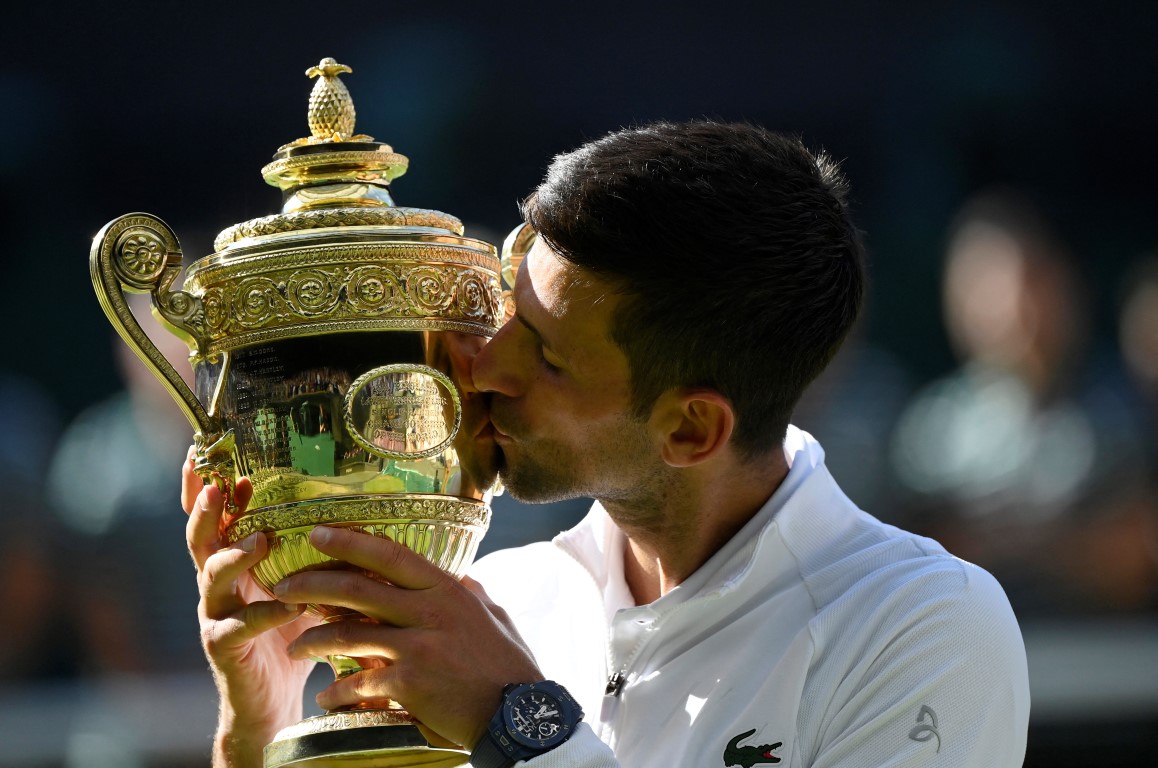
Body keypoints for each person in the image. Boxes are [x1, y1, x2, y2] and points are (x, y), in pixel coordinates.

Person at [183, 120, 1030, 767]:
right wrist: (258, 723)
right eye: (509, 309)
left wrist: (520, 723)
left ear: (691, 428)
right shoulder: (489, 598)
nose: (483, 364)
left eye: (545, 357)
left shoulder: (925, 626)